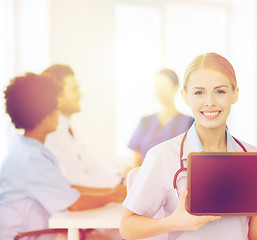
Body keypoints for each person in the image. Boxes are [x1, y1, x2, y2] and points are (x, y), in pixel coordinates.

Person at [120, 53, 257, 240]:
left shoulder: (254, 158)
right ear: (185, 96)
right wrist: (173, 222)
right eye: (199, 92)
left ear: (235, 94)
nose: (210, 102)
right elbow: (127, 227)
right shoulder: (162, 156)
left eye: (220, 91)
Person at [0, 73, 124, 240]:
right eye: (55, 107)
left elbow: (68, 189)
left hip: (40, 232)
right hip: (27, 236)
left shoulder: (27, 150)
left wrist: (113, 192)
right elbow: (75, 203)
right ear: (44, 115)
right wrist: (114, 195)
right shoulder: (32, 159)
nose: (58, 113)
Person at [43, 64, 125, 189]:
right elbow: (73, 179)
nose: (80, 95)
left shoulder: (67, 128)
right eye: (74, 89)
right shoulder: (52, 133)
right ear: (57, 96)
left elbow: (91, 166)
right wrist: (120, 182)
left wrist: (121, 175)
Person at [128, 68, 194, 166]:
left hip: (178, 179)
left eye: (163, 86)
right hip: (148, 179)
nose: (159, 91)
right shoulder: (145, 122)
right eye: (156, 86)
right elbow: (136, 165)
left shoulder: (190, 123)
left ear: (176, 87)